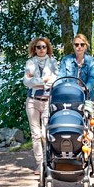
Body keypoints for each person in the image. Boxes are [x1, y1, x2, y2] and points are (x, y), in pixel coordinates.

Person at [23, 37, 59, 174]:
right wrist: (43, 80)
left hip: (48, 100)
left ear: (47, 48)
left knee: (45, 133)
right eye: (38, 47)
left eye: (44, 47)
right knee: (36, 134)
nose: (41, 49)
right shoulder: (30, 62)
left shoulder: (53, 62)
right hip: (32, 100)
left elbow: (56, 79)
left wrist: (37, 81)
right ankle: (40, 164)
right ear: (34, 48)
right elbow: (26, 82)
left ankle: (48, 160)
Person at [58, 34, 94, 102]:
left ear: (86, 46)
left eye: (82, 44)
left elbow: (92, 78)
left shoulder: (92, 61)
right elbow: (60, 78)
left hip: (87, 97)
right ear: (73, 46)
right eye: (76, 44)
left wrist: (85, 88)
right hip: (69, 96)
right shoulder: (66, 60)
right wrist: (59, 89)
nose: (79, 47)